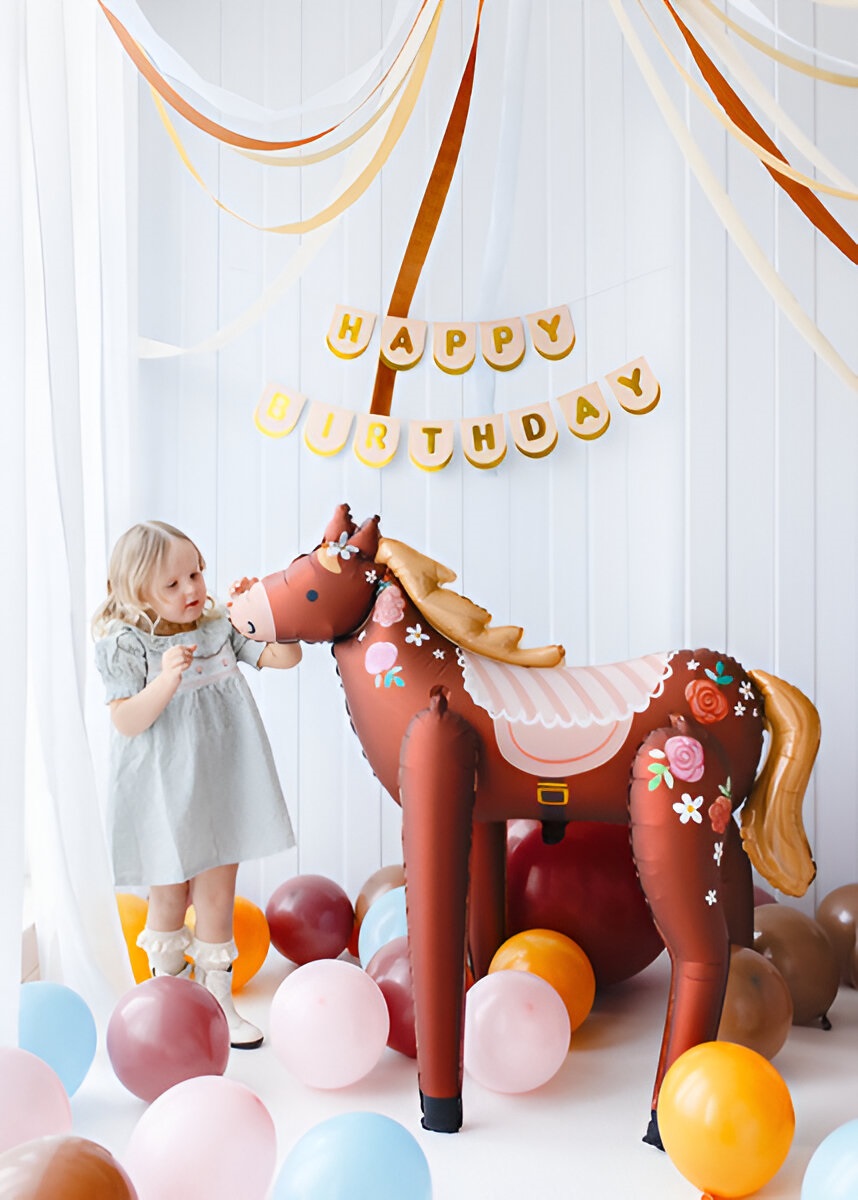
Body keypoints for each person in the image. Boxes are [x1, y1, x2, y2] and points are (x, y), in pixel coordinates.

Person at [92, 520, 301, 1048]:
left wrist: (265, 614)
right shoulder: (126, 643)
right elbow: (127, 721)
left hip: (221, 784)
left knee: (216, 896)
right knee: (167, 896)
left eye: (196, 573)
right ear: (137, 591)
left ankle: (217, 1003)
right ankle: (167, 1006)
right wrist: (166, 678)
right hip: (163, 793)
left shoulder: (217, 627)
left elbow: (286, 657)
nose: (191, 588)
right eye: (172, 583)